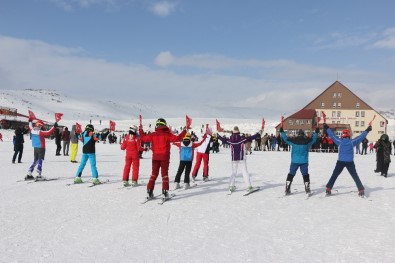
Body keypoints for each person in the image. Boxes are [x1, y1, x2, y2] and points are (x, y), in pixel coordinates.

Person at [139, 118, 187, 199]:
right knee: (164, 175)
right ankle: (165, 192)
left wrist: (141, 130)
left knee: (154, 174)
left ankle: (149, 191)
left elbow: (143, 138)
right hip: (164, 157)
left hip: (155, 157)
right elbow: (178, 138)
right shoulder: (167, 134)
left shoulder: (153, 134)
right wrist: (184, 131)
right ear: (164, 125)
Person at [324, 123, 372, 197]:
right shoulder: (352, 142)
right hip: (350, 162)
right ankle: (361, 189)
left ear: (343, 135)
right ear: (349, 135)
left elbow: (332, 136)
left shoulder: (339, 141)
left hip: (340, 161)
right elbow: (361, 137)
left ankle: (328, 188)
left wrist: (327, 128)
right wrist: (367, 130)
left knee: (334, 175)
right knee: (355, 176)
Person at [217, 126, 262, 192]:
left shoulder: (230, 139)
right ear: (238, 131)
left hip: (234, 158)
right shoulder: (242, 138)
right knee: (244, 171)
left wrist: (219, 137)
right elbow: (251, 138)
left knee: (234, 172)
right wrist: (258, 133)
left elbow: (224, 140)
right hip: (241, 158)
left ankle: (231, 186)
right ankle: (248, 186)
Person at [280, 128, 319, 195]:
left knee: (291, 174)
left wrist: (282, 132)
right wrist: (316, 132)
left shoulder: (294, 140)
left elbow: (285, 139)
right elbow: (314, 139)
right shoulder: (307, 141)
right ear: (303, 134)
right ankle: (307, 188)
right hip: (304, 161)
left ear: (298, 134)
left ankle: (287, 188)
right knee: (305, 174)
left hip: (294, 161)